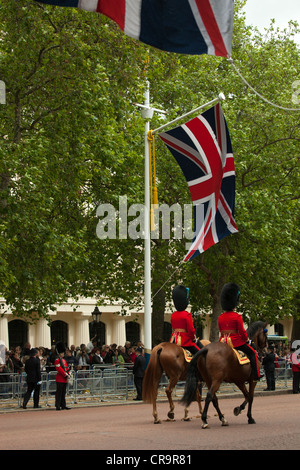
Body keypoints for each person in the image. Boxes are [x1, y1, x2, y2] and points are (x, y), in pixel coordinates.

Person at [218, 282, 261, 381]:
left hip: (222, 341)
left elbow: (221, 331)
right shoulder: (237, 317)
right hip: (236, 342)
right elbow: (242, 332)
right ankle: (256, 375)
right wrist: (246, 340)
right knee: (253, 353)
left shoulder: (220, 317)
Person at [169, 285, 200, 355]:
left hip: (173, 340)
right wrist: (193, 338)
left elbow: (174, 328)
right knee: (200, 353)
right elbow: (191, 330)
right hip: (184, 341)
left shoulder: (173, 315)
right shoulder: (187, 315)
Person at [54, 342, 71, 410]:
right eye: (62, 353)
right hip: (60, 379)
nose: (63, 354)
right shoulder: (57, 360)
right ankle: (58, 405)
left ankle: (63, 405)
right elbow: (59, 369)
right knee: (59, 393)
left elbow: (66, 368)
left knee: (63, 393)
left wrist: (68, 373)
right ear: (59, 353)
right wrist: (65, 374)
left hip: (64, 379)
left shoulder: (64, 360)